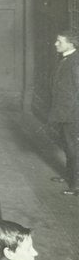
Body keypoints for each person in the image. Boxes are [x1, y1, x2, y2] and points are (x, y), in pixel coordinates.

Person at [48, 31, 79, 196]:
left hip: (72, 114)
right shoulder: (66, 58)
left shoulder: (76, 62)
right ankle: (70, 177)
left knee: (73, 148)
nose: (55, 44)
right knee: (67, 146)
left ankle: (75, 185)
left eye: (60, 41)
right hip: (64, 112)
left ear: (71, 44)